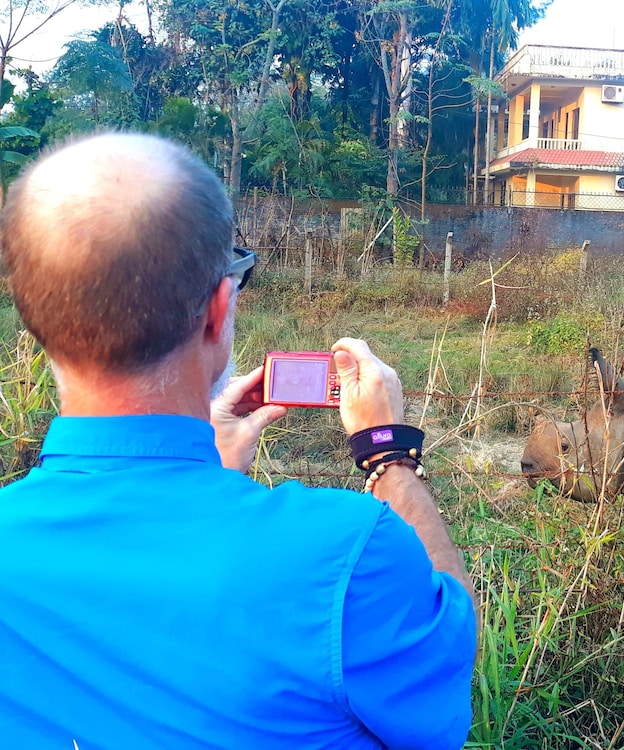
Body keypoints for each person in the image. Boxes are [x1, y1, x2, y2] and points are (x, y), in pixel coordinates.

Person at [0, 132, 478, 749]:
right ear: (217, 310)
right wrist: (388, 456)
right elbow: (448, 664)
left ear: (32, 315)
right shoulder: (347, 554)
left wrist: (215, 475)